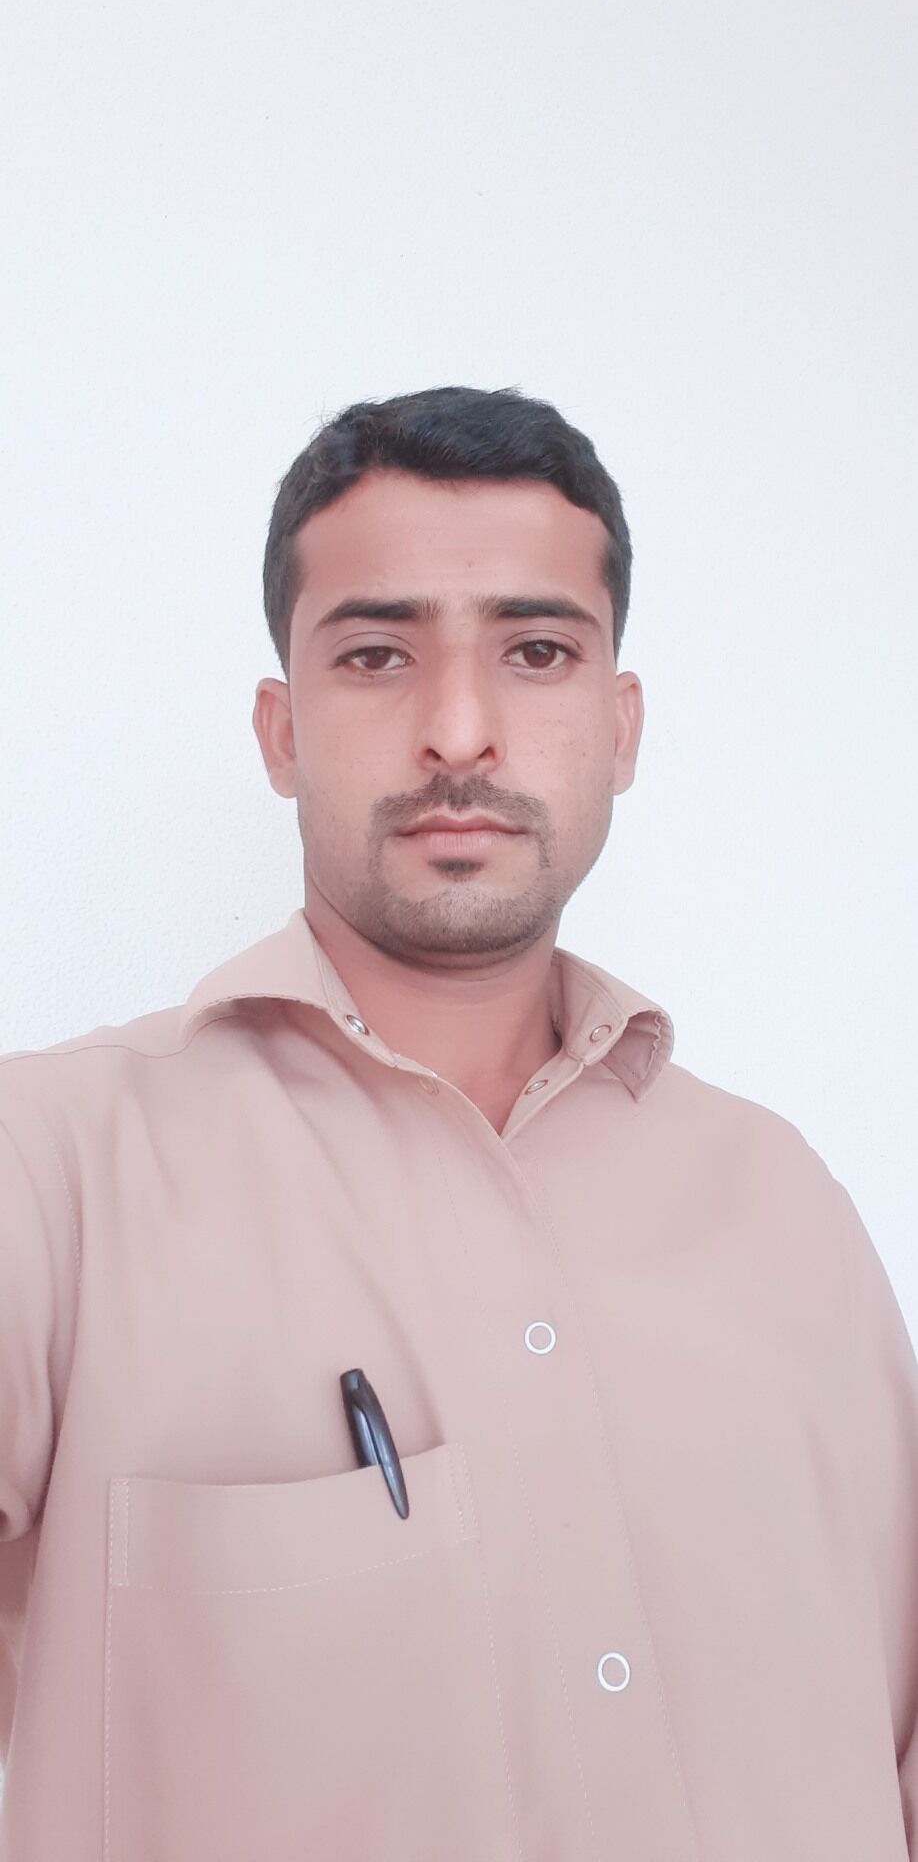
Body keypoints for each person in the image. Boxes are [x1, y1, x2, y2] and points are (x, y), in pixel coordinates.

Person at [1, 383, 916, 1861]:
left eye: (535, 650)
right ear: (280, 732)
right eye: (377, 654)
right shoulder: (52, 1173)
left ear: (620, 724)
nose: (458, 730)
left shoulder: (784, 1207)